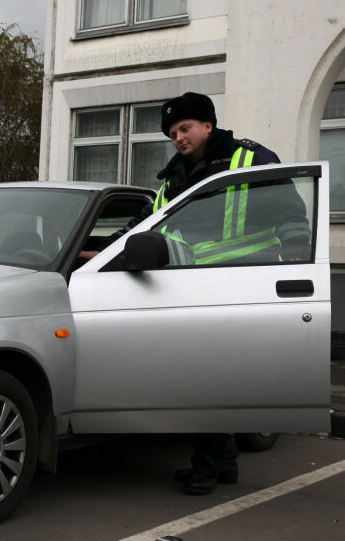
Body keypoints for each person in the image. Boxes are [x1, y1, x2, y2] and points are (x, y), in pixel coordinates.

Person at [81, 92, 309, 495]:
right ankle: (225, 465)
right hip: (197, 284)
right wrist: (106, 251)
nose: (178, 138)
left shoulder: (250, 159)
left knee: (205, 379)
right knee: (212, 377)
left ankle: (206, 470)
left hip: (245, 281)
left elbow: (290, 215)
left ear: (208, 125)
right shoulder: (176, 176)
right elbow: (146, 223)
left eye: (184, 129)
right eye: (172, 133)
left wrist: (297, 265)